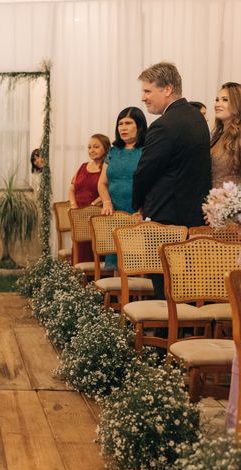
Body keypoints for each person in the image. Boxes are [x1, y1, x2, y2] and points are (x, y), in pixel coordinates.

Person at [132, 62, 211, 299]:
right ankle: (182, 331)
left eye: (147, 91)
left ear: (167, 89)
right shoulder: (197, 118)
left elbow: (145, 172)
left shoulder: (164, 125)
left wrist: (136, 205)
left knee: (164, 286)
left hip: (166, 216)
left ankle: (164, 332)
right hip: (192, 214)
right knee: (185, 285)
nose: (143, 97)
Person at [97, 107, 148, 269]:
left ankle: (137, 295)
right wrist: (106, 202)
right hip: (114, 214)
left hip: (137, 214)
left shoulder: (147, 151)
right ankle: (118, 295)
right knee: (116, 266)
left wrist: (144, 210)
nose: (123, 128)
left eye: (128, 123)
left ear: (139, 126)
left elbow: (152, 185)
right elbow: (102, 183)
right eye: (120, 124)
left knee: (137, 265)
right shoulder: (113, 151)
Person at [68, 133, 111, 263]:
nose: (92, 150)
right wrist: (73, 206)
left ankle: (97, 281)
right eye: (89, 147)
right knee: (79, 250)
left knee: (95, 252)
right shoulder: (83, 166)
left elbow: (108, 190)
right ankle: (79, 282)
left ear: (105, 148)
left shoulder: (108, 168)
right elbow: (71, 188)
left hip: (97, 215)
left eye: (96, 147)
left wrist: (92, 205)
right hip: (79, 216)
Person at [210, 82, 241, 187]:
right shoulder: (217, 135)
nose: (218, 104)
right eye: (217, 100)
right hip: (212, 199)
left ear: (237, 104)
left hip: (231, 200)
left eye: (225, 100)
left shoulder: (239, 136)